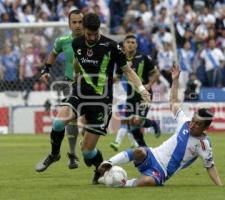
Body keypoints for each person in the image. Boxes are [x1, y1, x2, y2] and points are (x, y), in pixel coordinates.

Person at [35, 13, 150, 184]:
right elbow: (77, 62)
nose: (91, 38)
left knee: (87, 152)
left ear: (99, 31)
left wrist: (141, 89)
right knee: (58, 123)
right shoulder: (77, 42)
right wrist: (75, 75)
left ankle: (99, 170)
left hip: (101, 102)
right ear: (85, 31)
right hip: (81, 92)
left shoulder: (111, 46)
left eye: (95, 35)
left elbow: (127, 70)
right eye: (88, 34)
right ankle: (54, 154)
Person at [98, 64, 223, 187]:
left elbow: (210, 166)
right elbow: (173, 102)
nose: (193, 124)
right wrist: (175, 80)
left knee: (147, 182)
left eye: (198, 124)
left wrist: (220, 186)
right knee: (139, 151)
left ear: (205, 128)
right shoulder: (184, 121)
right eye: (193, 120)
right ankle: (108, 163)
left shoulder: (204, 144)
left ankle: (121, 183)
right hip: (153, 155)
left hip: (162, 171)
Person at [35, 9, 83, 171]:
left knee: (87, 125)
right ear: (69, 24)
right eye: (74, 22)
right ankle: (71, 154)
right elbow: (53, 54)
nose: (77, 25)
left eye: (80, 22)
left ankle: (85, 155)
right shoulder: (63, 41)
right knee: (70, 118)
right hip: (71, 84)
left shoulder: (92, 41)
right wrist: (46, 69)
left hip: (92, 87)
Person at [110, 34, 160, 151]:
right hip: (130, 96)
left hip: (144, 95)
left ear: (136, 45)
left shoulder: (144, 58)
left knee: (136, 121)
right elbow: (117, 77)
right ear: (124, 45)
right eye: (128, 42)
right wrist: (106, 83)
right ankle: (144, 149)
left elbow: (156, 73)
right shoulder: (121, 60)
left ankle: (153, 124)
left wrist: (149, 84)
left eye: (133, 42)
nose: (131, 44)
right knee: (132, 125)